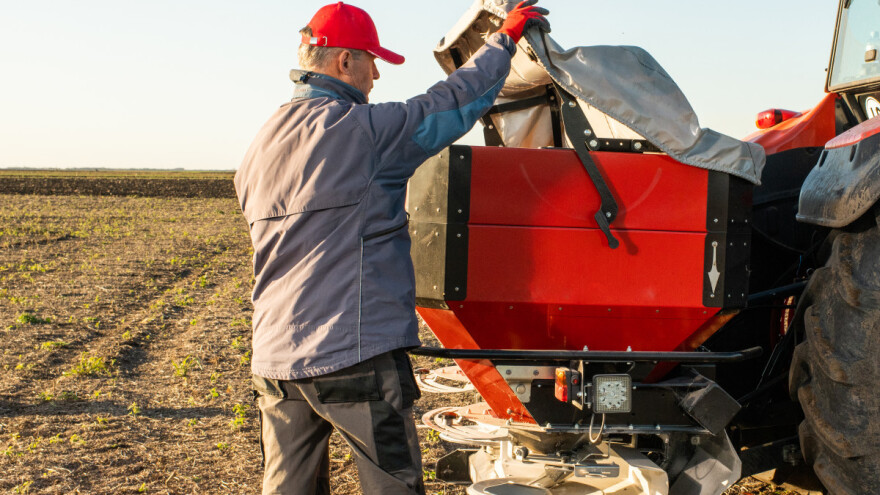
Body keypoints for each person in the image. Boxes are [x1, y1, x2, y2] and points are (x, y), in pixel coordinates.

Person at [234, 2, 549, 493]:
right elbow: (450, 105)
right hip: (352, 354)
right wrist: (503, 41)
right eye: (372, 61)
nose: (376, 75)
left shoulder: (261, 144)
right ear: (344, 63)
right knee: (391, 486)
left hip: (275, 357)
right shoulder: (361, 132)